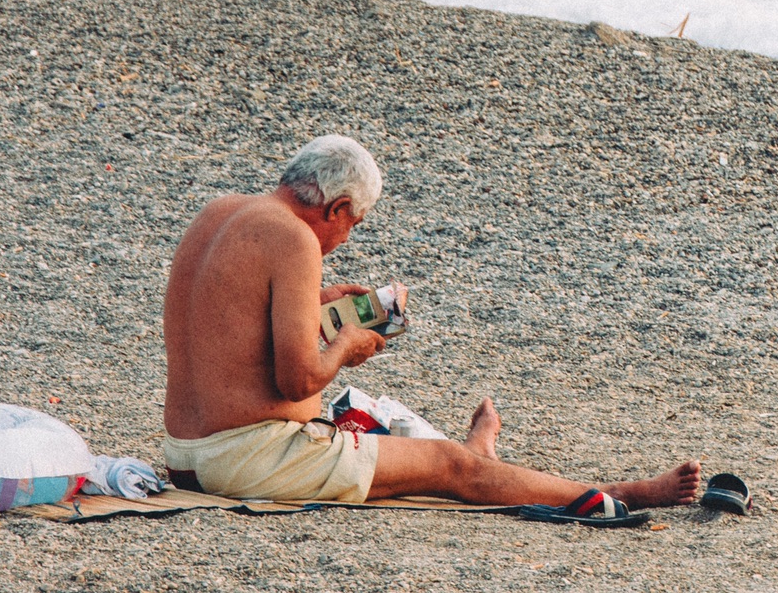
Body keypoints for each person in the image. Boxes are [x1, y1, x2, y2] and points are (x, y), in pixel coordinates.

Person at [161, 135, 701, 509]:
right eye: (354, 224)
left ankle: (486, 460)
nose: (346, 238)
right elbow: (297, 381)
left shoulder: (221, 211)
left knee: (420, 459)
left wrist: (311, 300)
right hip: (247, 459)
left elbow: (219, 322)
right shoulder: (295, 237)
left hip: (185, 453)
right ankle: (619, 492)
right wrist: (348, 343)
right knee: (448, 468)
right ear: (337, 207)